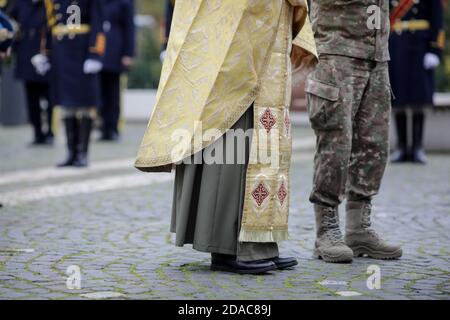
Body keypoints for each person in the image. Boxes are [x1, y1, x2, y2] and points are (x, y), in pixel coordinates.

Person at [135, 0, 318, 274]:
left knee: (265, 128)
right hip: (235, 17)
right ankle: (226, 244)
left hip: (269, 18)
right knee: (232, 122)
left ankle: (262, 239)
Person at [306, 0, 402, 263]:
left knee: (374, 144)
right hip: (337, 50)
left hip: (377, 55)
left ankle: (359, 228)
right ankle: (326, 229)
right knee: (336, 141)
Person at [42, 0, 105, 167]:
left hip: (82, 51)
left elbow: (98, 21)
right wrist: (46, 52)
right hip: (61, 52)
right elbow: (50, 23)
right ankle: (71, 153)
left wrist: (95, 53)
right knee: (66, 106)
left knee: (85, 104)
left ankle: (83, 153)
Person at [389, 0, 445, 164]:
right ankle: (401, 147)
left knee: (418, 98)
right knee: (397, 99)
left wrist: (435, 50)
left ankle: (418, 147)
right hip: (396, 46)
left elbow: (437, 18)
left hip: (420, 46)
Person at [9, 0, 54, 146]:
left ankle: (50, 133)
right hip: (26, 54)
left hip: (46, 56)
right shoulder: (20, 4)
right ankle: (37, 133)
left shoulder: (49, 4)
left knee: (50, 99)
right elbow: (11, 23)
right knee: (32, 99)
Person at [98, 0, 135, 141]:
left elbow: (129, 27)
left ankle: (112, 128)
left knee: (113, 94)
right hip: (99, 50)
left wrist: (128, 53)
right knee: (100, 93)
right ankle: (102, 127)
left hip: (116, 50)